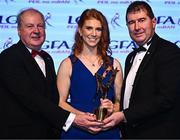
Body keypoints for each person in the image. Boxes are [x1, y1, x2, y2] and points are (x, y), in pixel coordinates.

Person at [0, 8, 102, 139]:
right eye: (30, 26)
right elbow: (31, 98)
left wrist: (85, 114)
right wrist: (73, 118)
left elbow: (54, 98)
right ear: (19, 31)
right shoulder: (9, 57)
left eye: (40, 26)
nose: (36, 31)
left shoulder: (47, 58)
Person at [102, 1, 180, 139]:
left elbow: (166, 99)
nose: (137, 27)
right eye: (131, 22)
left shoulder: (169, 52)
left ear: (154, 22)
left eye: (142, 20)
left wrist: (124, 115)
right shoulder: (130, 57)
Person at [57, 8, 123, 139]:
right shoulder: (67, 64)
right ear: (80, 31)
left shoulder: (114, 64)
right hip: (77, 131)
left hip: (107, 131)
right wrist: (81, 118)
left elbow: (119, 102)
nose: (94, 33)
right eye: (89, 28)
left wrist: (112, 110)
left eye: (98, 29)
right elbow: (60, 103)